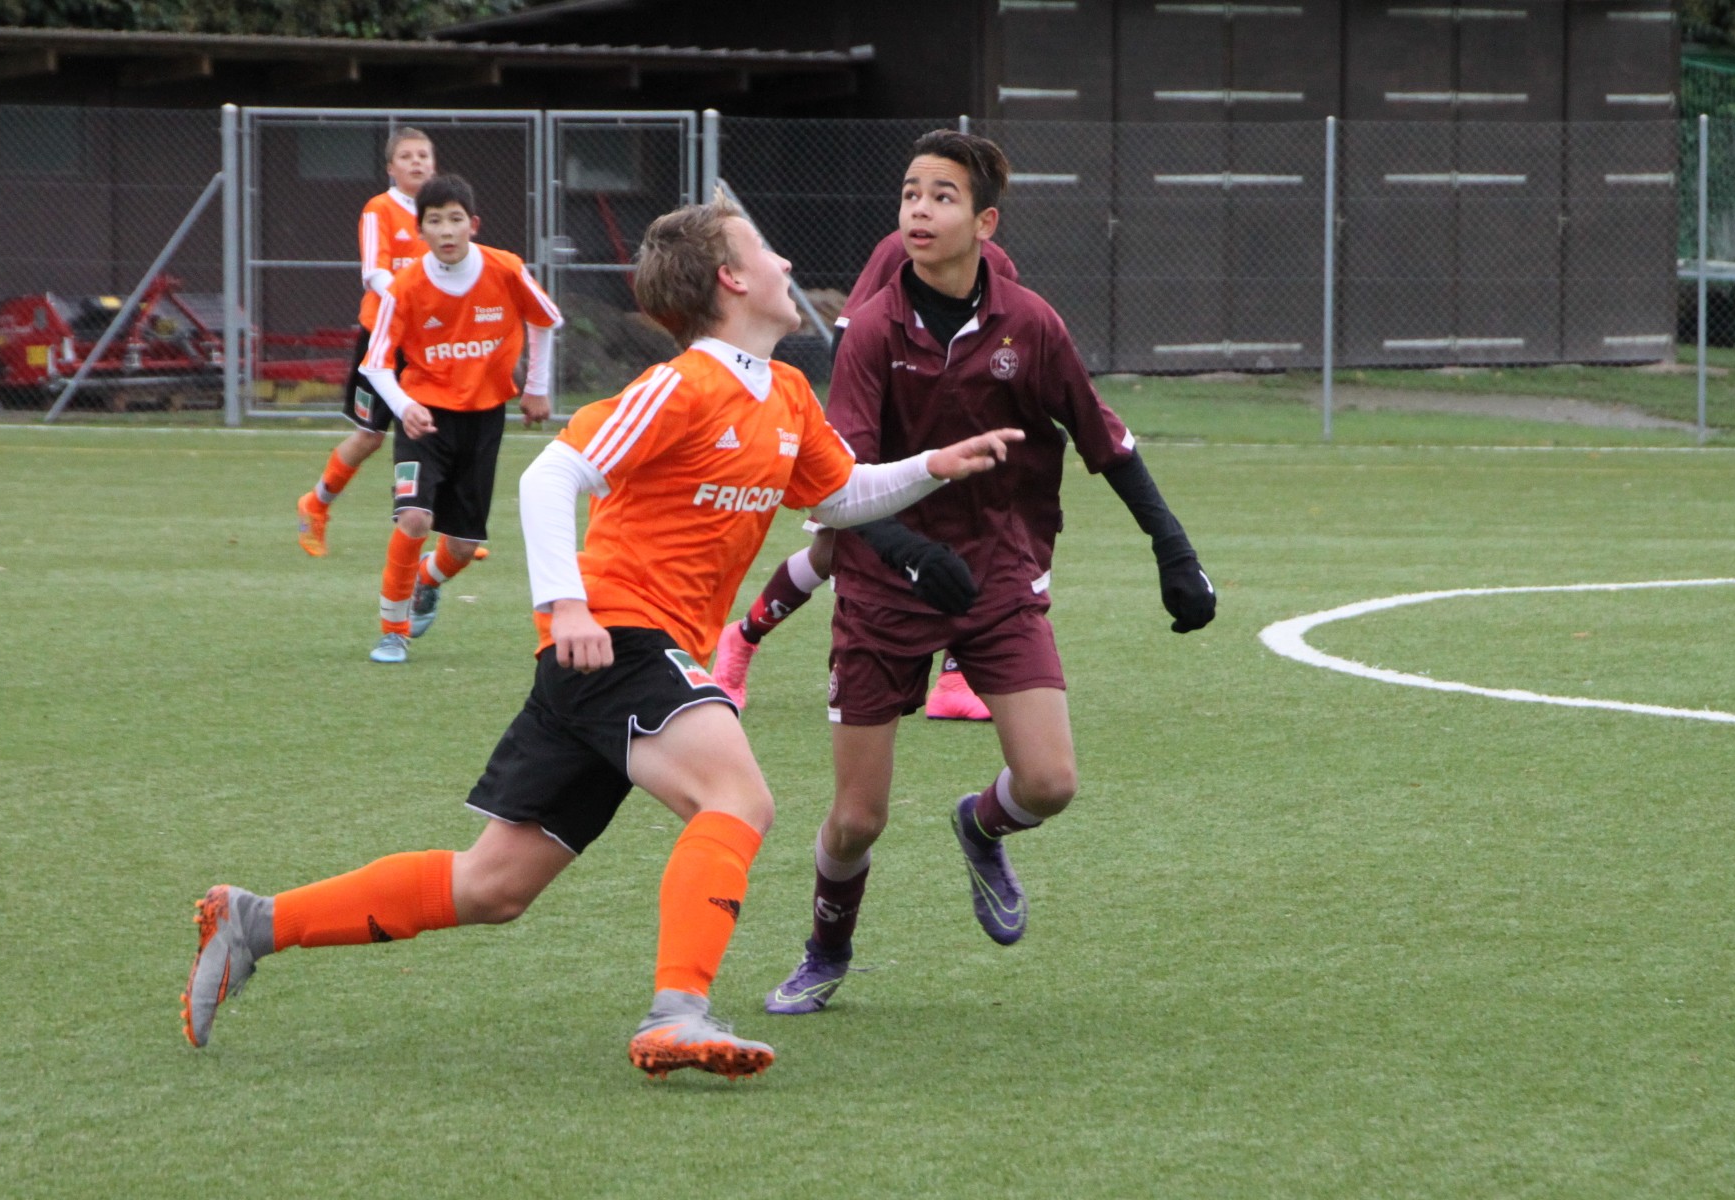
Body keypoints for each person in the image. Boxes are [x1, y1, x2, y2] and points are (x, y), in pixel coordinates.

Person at [180, 196, 1026, 1080]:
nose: (784, 263)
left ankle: (254, 922)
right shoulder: (681, 385)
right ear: (732, 280)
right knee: (737, 799)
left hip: (609, 657)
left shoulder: (782, 394)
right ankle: (677, 1014)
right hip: (616, 635)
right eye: (766, 249)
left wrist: (931, 467)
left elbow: (837, 494)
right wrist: (568, 605)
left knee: (494, 885)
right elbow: (551, 475)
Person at [763, 130, 1216, 1017]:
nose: (919, 210)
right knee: (856, 820)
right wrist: (908, 551)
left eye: (942, 196)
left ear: (984, 222)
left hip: (999, 577)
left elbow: (1104, 439)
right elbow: (837, 483)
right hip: (885, 586)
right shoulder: (872, 331)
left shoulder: (1031, 323)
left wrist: (1175, 550)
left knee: (1049, 784)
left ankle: (980, 824)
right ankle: (826, 950)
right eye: (910, 194)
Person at [710, 229, 1020, 721]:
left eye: (950, 196)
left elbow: (1006, 342)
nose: (928, 208)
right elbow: (848, 335)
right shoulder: (899, 248)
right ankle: (743, 639)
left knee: (975, 533)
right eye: (921, 195)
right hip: (881, 428)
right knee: (834, 550)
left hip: (952, 431)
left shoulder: (996, 263)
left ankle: (955, 678)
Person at [357, 173, 561, 664]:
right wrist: (405, 407)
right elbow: (376, 364)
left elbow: (546, 320)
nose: (446, 231)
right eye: (434, 221)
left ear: (473, 224)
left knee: (465, 545)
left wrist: (536, 387)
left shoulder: (505, 269)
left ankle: (427, 581)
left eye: (454, 220)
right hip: (424, 419)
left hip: (483, 419)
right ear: (420, 230)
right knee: (414, 517)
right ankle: (393, 631)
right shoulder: (405, 287)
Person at [296, 127, 436, 557]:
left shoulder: (443, 212)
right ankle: (316, 503)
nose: (416, 162)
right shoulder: (379, 209)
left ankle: (442, 530)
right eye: (407, 156)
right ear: (391, 167)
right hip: (383, 340)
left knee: (432, 430)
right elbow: (374, 272)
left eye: (423, 155)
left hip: (429, 343)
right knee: (370, 437)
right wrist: (409, 301)